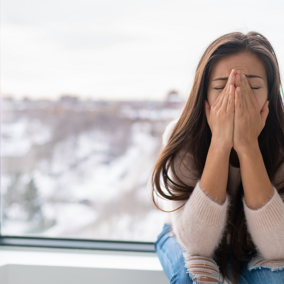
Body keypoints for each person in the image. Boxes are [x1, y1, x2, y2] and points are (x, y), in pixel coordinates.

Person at [151, 31, 284, 284]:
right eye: (221, 87)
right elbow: (196, 244)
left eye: (252, 87)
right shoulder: (181, 136)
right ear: (204, 94)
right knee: (195, 277)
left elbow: (279, 247)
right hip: (183, 235)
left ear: (270, 95)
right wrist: (221, 143)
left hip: (257, 246)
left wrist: (247, 146)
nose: (236, 97)